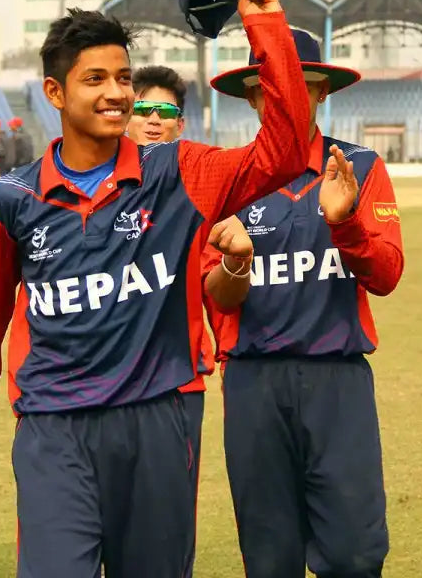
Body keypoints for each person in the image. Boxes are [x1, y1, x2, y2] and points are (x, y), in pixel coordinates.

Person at [0, 0, 311, 576]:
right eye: (96, 80)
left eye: (123, 78)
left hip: (158, 421)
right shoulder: (10, 199)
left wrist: (264, 24)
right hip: (53, 426)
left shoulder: (179, 171)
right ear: (54, 93)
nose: (117, 93)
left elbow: (289, 148)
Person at [202, 28, 404, 578]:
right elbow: (214, 296)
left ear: (321, 94)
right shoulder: (223, 179)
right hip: (254, 387)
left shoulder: (360, 168)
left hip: (338, 383)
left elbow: (386, 276)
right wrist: (237, 263)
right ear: (253, 96)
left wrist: (346, 225)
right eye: (273, 86)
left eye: (301, 85)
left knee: (355, 555)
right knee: (269, 560)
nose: (287, 97)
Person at [124, 64, 245, 578]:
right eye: (143, 109)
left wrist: (223, 348)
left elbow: (214, 282)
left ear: (181, 123)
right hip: (96, 383)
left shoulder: (195, 191)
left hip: (175, 380)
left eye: (166, 112)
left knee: (166, 530)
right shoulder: (89, 189)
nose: (153, 120)